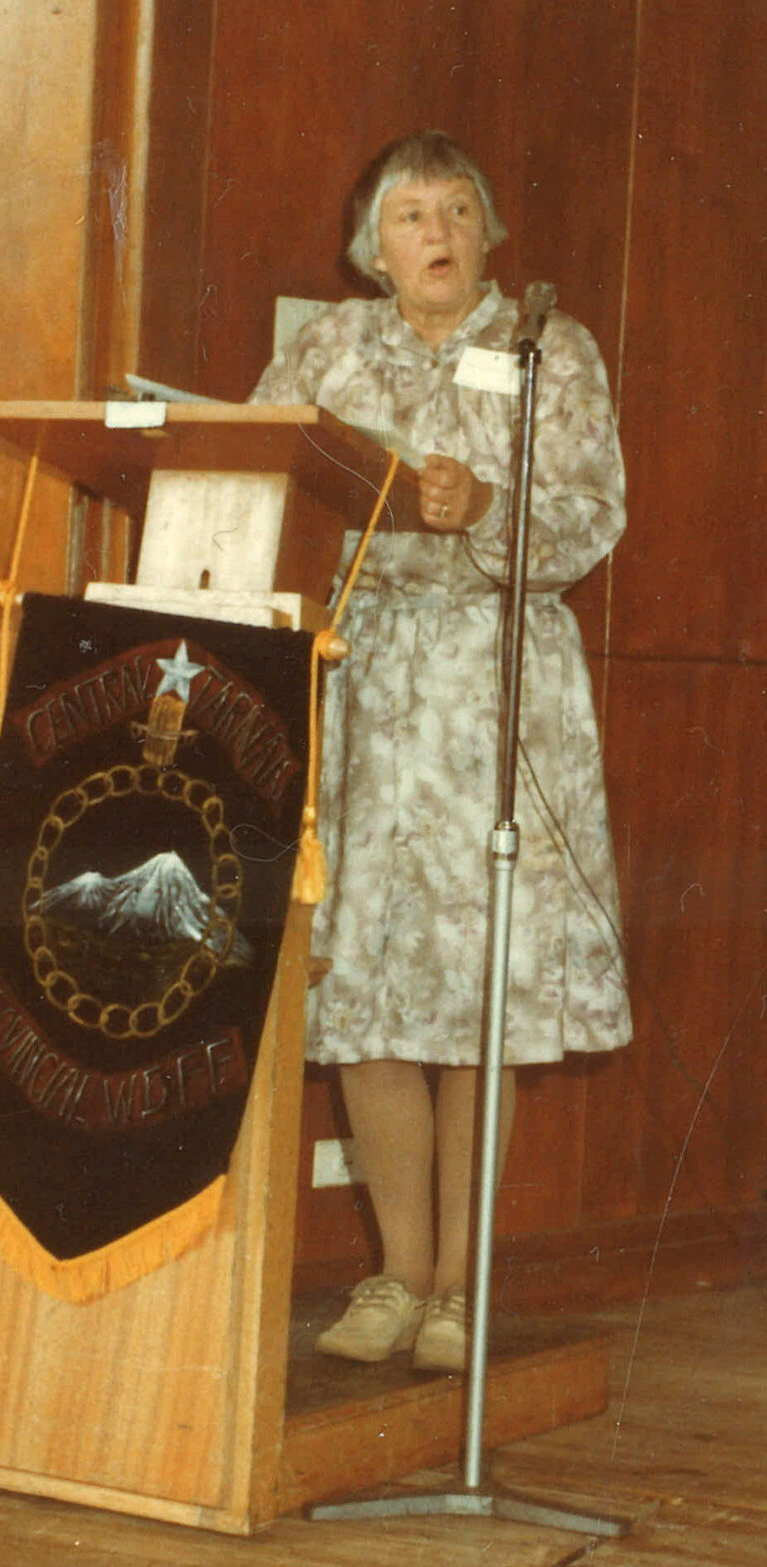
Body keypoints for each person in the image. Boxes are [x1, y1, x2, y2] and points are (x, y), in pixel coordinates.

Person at [249, 131, 632, 1370]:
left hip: (493, 685)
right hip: (362, 683)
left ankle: (461, 1289)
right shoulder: (328, 350)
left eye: (458, 209)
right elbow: (263, 471)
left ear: (486, 235)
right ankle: (393, 1278)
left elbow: (594, 511)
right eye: (410, 213)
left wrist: (492, 511)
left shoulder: (544, 346)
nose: (437, 233)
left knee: (477, 995)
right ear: (373, 245)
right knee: (363, 988)